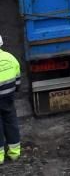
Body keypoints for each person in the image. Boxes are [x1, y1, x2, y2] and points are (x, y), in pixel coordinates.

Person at [0, 34, 20, 164]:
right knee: (11, 123)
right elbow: (17, 79)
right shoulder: (10, 58)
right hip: (8, 98)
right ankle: (14, 153)